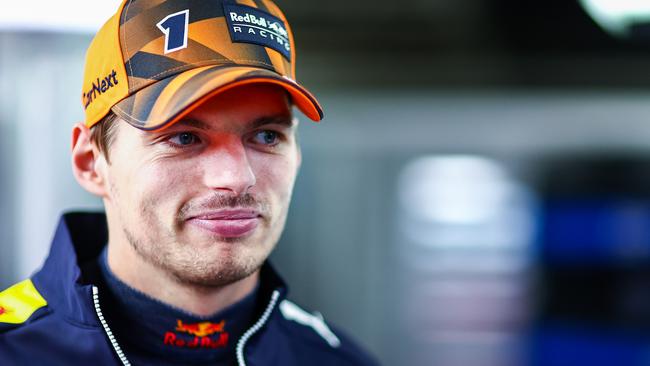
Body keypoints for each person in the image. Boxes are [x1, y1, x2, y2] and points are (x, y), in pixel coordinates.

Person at [0, 0, 379, 365]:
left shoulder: (334, 358)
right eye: (183, 138)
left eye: (266, 136)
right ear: (90, 163)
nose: (236, 178)